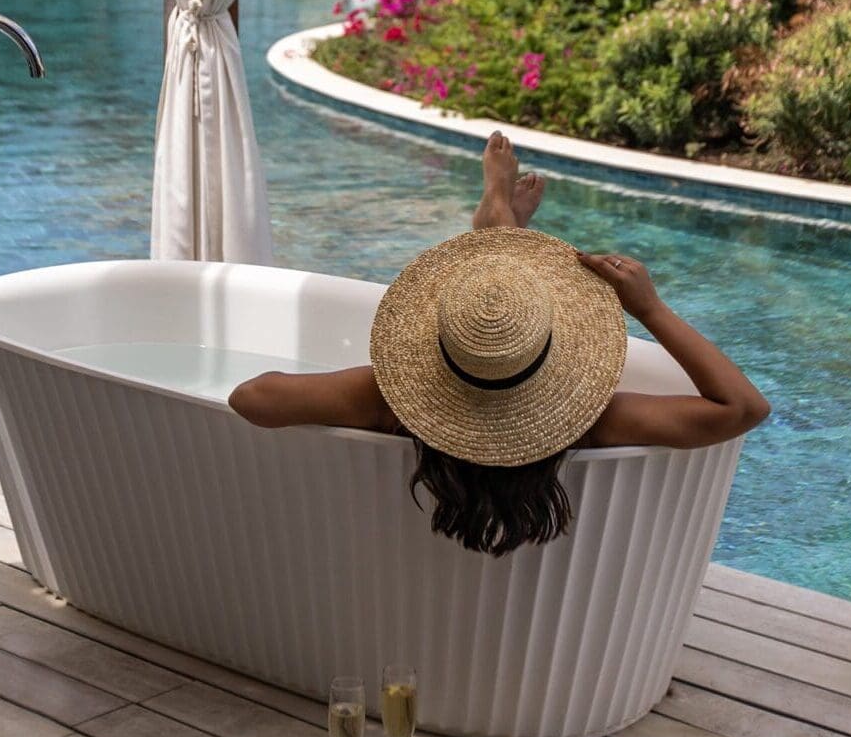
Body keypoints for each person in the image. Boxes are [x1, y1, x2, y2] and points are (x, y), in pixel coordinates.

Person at [230, 132, 769, 555]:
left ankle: (498, 220)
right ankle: (498, 222)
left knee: (490, 304)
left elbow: (250, 398)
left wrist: (393, 390)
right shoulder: (594, 420)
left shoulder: (382, 402)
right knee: (501, 306)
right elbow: (744, 407)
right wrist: (649, 308)